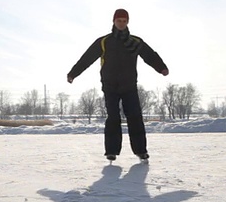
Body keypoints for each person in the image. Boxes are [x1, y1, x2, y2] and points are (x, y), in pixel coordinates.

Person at [66, 8, 169, 162]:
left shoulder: (135, 41)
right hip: (110, 86)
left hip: (129, 86)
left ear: (127, 22)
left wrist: (161, 67)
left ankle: (141, 151)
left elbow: (149, 55)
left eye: (124, 21)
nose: (121, 23)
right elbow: (87, 58)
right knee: (113, 118)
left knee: (135, 117)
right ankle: (111, 151)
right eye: (118, 20)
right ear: (113, 21)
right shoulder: (104, 41)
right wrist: (73, 73)